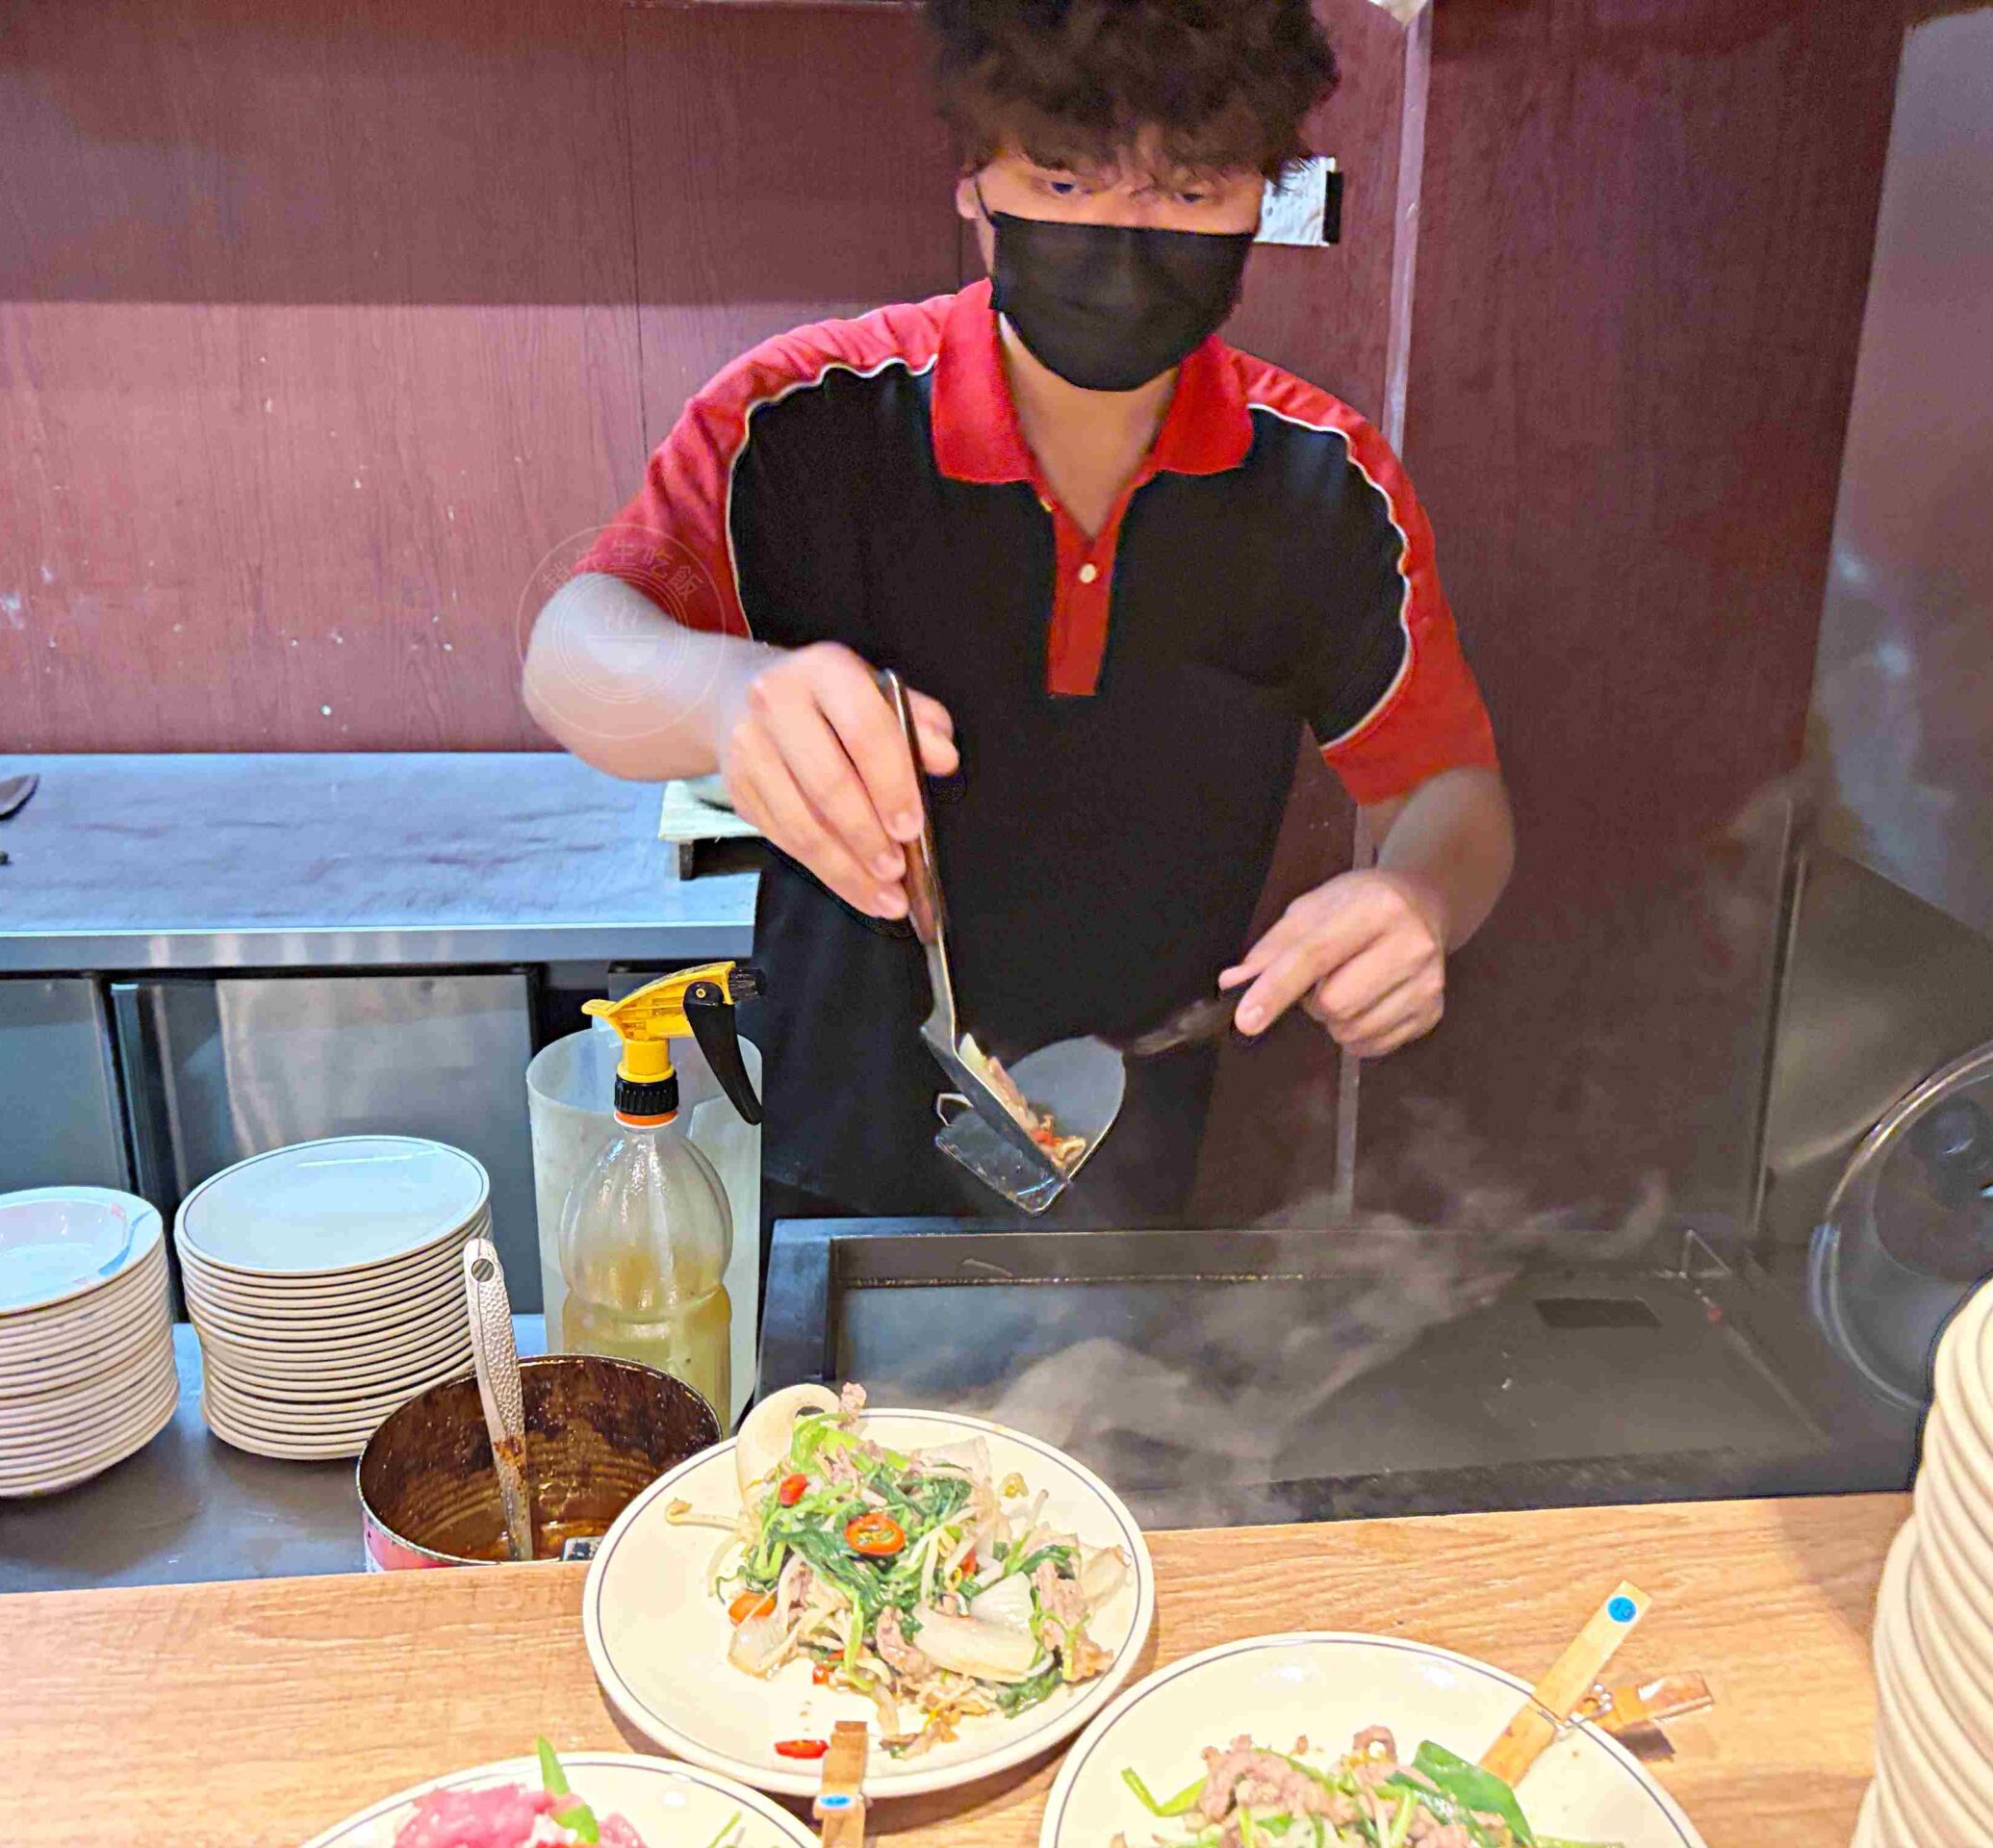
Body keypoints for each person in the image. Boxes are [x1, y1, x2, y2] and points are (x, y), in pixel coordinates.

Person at [524, 0, 1514, 1249]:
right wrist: (725, 697)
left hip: (1130, 1174)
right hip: (827, 1161)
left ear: (1262, 197)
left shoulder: (1328, 483)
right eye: (1064, 177)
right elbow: (572, 649)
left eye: (1191, 188)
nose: (1125, 235)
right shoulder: (808, 421)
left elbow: (1451, 789)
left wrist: (1422, 896)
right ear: (976, 188)